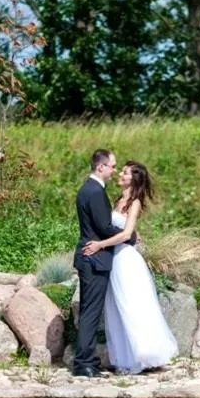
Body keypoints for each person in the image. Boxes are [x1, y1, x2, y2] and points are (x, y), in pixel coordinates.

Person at [82, 161, 178, 374]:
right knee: (117, 308)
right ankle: (126, 358)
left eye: (124, 173)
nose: (120, 174)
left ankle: (145, 353)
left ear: (133, 178)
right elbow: (119, 228)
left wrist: (100, 245)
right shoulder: (118, 200)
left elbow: (126, 234)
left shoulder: (134, 202)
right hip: (115, 258)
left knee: (131, 305)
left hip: (126, 259)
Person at [72, 149, 127, 378]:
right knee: (90, 312)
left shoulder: (88, 189)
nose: (115, 171)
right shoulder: (95, 192)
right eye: (113, 166)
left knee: (88, 311)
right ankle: (84, 363)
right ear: (101, 167)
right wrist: (129, 235)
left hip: (90, 258)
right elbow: (103, 227)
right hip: (94, 259)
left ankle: (86, 360)